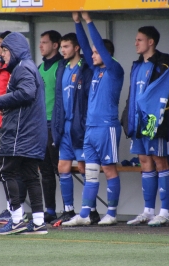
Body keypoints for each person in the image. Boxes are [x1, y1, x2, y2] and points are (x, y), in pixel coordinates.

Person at [62, 11, 124, 226]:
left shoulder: (115, 69)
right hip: (90, 128)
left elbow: (94, 44)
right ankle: (85, 214)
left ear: (106, 54)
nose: (92, 55)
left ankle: (112, 213)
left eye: (97, 52)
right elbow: (86, 47)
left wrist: (89, 21)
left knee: (108, 170)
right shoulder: (95, 70)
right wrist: (77, 23)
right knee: (90, 172)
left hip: (107, 128)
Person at [0, 32, 48, 235]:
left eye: (4, 50)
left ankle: (16, 219)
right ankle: (39, 222)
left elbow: (27, 93)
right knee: (31, 176)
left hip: (19, 133)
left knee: (7, 172)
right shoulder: (28, 66)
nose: (2, 55)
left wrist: (0, 100)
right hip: (32, 132)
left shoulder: (23, 68)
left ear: (13, 50)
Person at [121, 26, 169, 226]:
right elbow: (132, 96)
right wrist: (127, 119)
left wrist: (159, 117)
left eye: (139, 40)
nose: (135, 43)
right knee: (144, 163)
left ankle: (164, 212)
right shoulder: (136, 65)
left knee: (160, 162)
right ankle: (148, 210)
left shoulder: (163, 62)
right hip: (137, 124)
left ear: (151, 42)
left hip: (154, 124)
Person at [50, 33, 96, 226]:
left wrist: (85, 123)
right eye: (61, 46)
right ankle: (68, 209)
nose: (63, 50)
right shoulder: (62, 67)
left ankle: (91, 211)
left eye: (66, 46)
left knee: (84, 167)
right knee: (63, 167)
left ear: (77, 48)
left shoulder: (85, 68)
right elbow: (59, 99)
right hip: (65, 126)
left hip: (80, 127)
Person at [0, 30, 30, 225]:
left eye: (2, 45)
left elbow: (20, 94)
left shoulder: (15, 67)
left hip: (10, 126)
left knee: (13, 170)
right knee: (3, 170)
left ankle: (17, 210)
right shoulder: (0, 65)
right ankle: (10, 207)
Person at [37, 30, 63, 223]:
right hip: (40, 126)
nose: (41, 46)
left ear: (55, 45)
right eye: (40, 42)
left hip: (54, 126)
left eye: (45, 42)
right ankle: (50, 210)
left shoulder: (61, 66)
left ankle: (68, 208)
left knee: (59, 168)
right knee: (45, 171)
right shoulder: (39, 68)